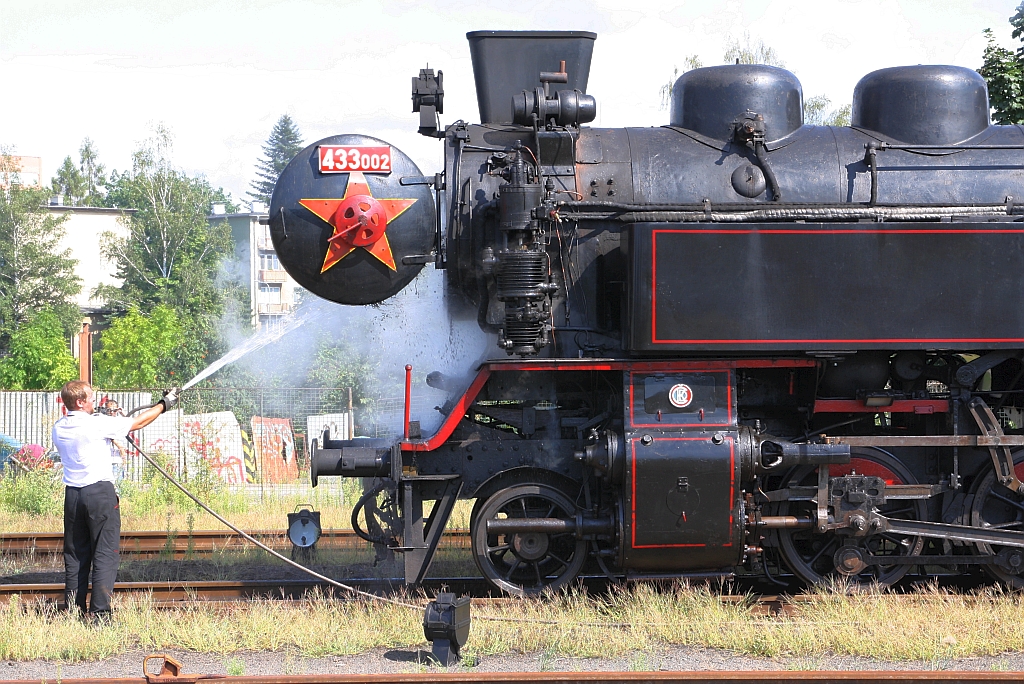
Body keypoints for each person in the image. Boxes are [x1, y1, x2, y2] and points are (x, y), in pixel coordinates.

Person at [52, 381, 177, 621]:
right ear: (79, 402)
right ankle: (100, 614)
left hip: (73, 497)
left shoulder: (60, 426)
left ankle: (74, 612)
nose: (93, 401)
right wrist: (165, 404)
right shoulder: (97, 424)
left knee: (76, 555)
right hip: (99, 494)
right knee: (105, 553)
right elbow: (138, 422)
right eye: (90, 398)